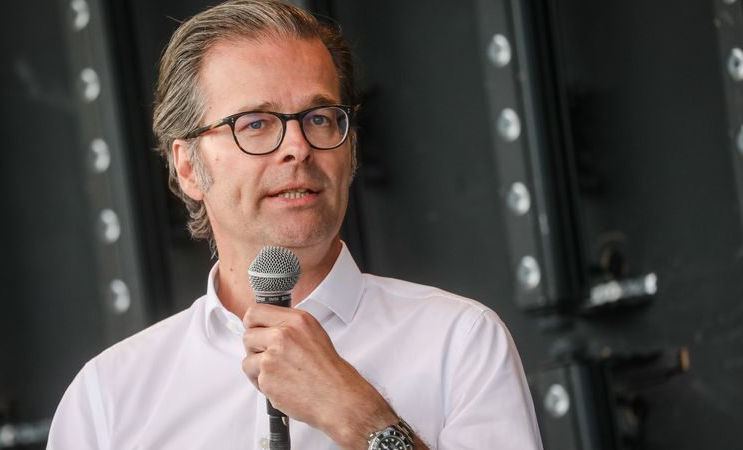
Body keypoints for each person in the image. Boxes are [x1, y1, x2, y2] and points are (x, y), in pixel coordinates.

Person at [48, 1, 542, 449]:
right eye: (255, 123)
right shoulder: (109, 397)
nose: (298, 147)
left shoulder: (459, 341)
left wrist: (360, 418)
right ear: (188, 168)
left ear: (350, 149)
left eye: (319, 118)